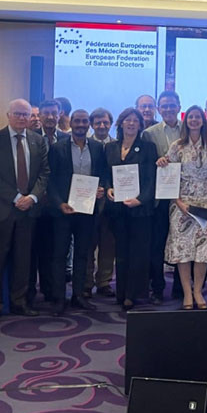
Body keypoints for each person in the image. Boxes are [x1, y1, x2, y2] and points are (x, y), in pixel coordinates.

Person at [0, 99, 49, 325]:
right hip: (2, 210)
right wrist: (16, 197)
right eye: (17, 113)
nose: (22, 118)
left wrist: (32, 197)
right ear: (8, 115)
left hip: (28, 211)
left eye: (25, 114)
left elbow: (44, 173)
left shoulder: (38, 140)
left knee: (23, 261)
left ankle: (19, 302)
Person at [157, 105, 207, 309]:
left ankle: (198, 291)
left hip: (203, 204)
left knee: (202, 250)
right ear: (186, 121)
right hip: (181, 204)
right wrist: (178, 201)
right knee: (182, 249)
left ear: (203, 120)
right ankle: (186, 293)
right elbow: (169, 176)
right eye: (191, 117)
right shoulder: (177, 146)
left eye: (197, 117)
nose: (194, 120)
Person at [48, 110, 107, 314]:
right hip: (64, 211)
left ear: (89, 124)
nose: (81, 124)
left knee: (82, 254)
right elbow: (50, 180)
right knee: (59, 255)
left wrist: (101, 188)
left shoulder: (98, 148)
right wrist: (59, 204)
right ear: (71, 123)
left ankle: (78, 295)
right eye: (77, 121)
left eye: (84, 121)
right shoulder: (57, 148)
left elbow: (102, 175)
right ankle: (58, 298)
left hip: (87, 211)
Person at [106, 108, 156, 309]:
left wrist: (141, 200)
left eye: (135, 120)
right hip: (117, 210)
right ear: (121, 123)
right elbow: (105, 174)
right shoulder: (110, 147)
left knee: (138, 253)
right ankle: (120, 292)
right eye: (128, 120)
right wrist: (108, 188)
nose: (131, 123)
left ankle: (132, 294)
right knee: (121, 252)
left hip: (140, 210)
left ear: (140, 125)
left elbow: (152, 179)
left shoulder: (148, 148)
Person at [143, 90, 183, 302]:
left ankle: (180, 287)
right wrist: (156, 161)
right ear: (159, 109)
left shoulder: (189, 128)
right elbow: (145, 165)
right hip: (159, 197)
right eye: (164, 106)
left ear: (179, 107)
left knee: (182, 242)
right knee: (156, 244)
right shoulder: (149, 133)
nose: (168, 109)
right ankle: (157, 288)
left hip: (184, 196)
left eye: (172, 105)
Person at [30, 98, 69, 304]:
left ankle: (53, 290)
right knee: (35, 249)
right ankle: (31, 292)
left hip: (60, 204)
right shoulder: (30, 137)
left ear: (60, 114)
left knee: (56, 249)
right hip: (36, 202)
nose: (50, 117)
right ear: (40, 116)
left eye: (54, 113)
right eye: (46, 113)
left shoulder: (67, 138)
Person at [86, 107, 116, 297]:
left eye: (105, 122)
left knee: (108, 245)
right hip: (88, 202)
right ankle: (86, 282)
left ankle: (104, 281)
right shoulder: (85, 144)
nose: (102, 126)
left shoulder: (117, 145)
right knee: (88, 245)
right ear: (92, 125)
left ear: (111, 124)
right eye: (98, 123)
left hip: (111, 203)